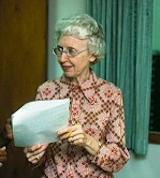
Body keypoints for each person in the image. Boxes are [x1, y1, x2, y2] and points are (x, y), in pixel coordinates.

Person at [24, 14, 130, 178]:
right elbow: (39, 155)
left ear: (92, 54)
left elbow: (119, 160)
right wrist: (35, 155)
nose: (62, 58)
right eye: (60, 50)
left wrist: (87, 141)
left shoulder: (111, 95)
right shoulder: (46, 91)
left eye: (71, 51)